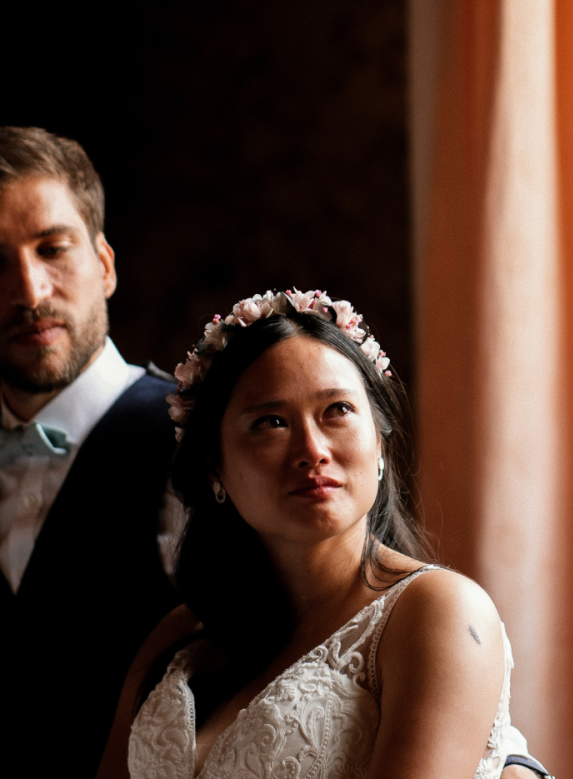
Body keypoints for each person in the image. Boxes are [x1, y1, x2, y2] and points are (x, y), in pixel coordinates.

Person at [0, 128, 544, 779]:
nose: (29, 290)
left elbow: (368, 640)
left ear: (106, 262)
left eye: (52, 248)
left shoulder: (208, 444)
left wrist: (503, 758)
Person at [96, 290, 515, 779]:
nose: (311, 449)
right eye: (270, 423)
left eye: (336, 410)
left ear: (380, 440)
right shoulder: (178, 636)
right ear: (215, 467)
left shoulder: (436, 611)